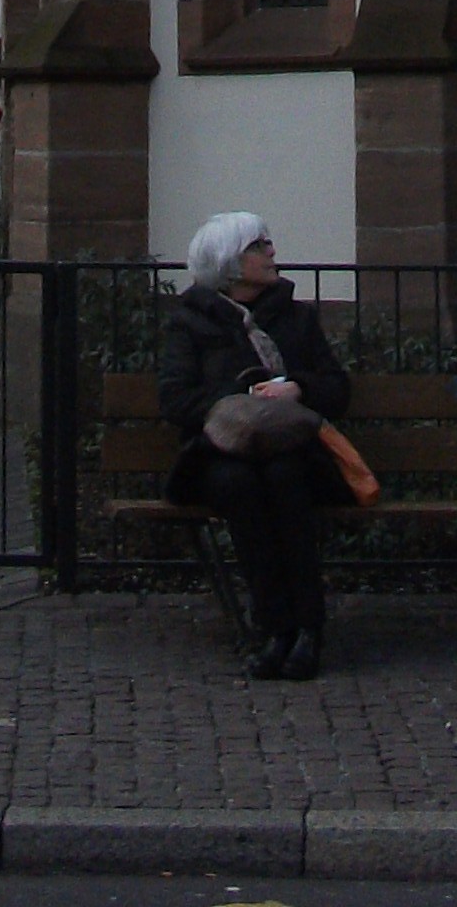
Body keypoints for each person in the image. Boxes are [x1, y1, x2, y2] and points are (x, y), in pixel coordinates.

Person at [157, 211, 351, 681]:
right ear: (229, 262)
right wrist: (239, 403)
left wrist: (297, 389)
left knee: (286, 479)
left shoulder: (296, 318)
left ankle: (307, 628)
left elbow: (337, 389)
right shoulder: (191, 323)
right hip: (220, 453)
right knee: (239, 484)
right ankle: (275, 628)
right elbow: (176, 398)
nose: (271, 252)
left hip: (293, 451)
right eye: (258, 245)